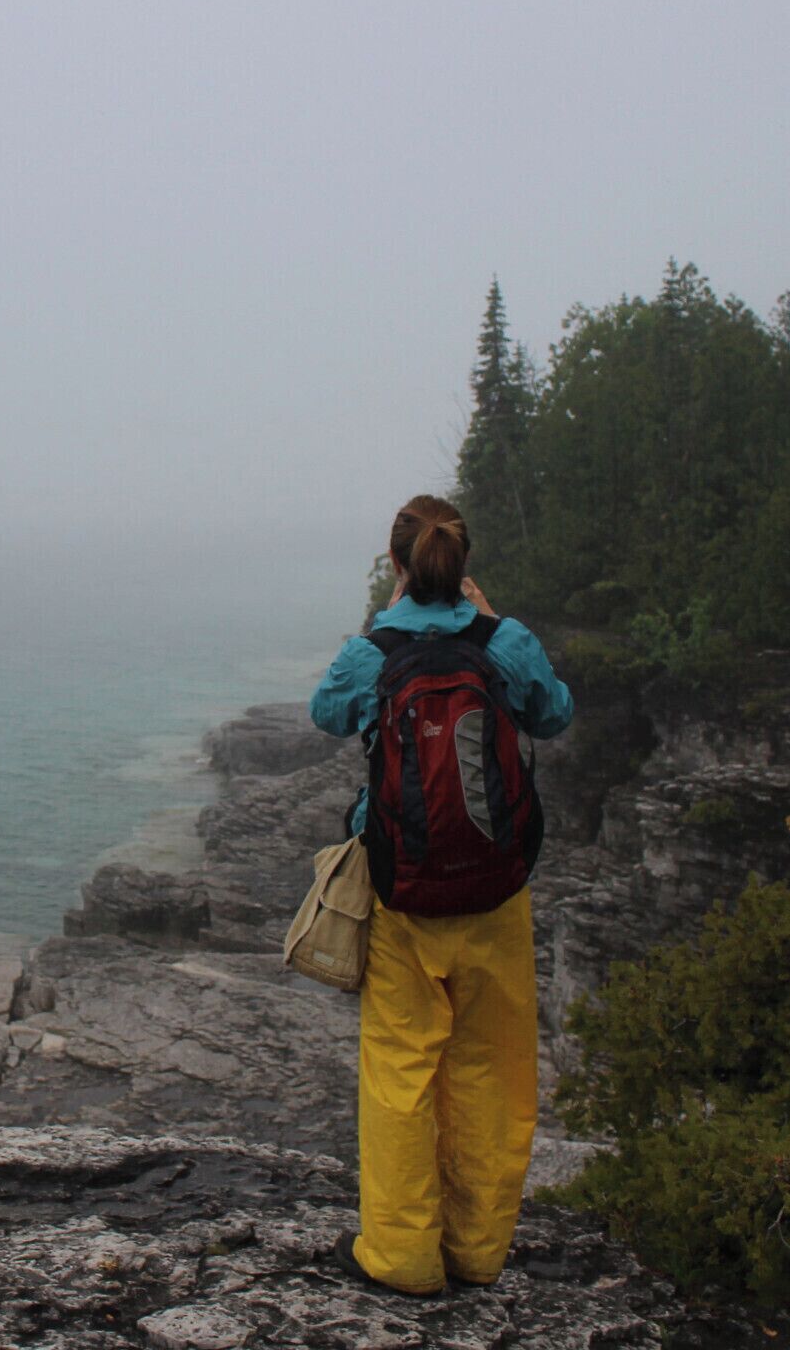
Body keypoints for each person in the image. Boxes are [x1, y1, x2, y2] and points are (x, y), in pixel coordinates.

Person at [308, 494, 573, 1295]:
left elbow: (327, 713)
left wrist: (380, 629)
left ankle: (401, 1258)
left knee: (401, 1071)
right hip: (496, 892)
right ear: (464, 566)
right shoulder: (506, 642)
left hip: (404, 894)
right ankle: (478, 1252)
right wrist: (492, 622)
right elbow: (554, 714)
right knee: (493, 1068)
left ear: (400, 566)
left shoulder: (375, 653)